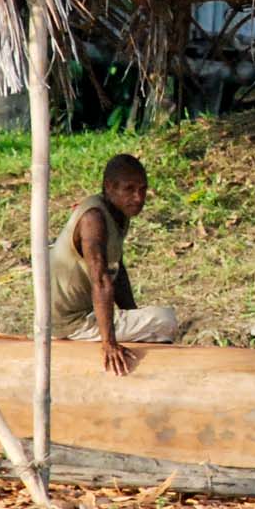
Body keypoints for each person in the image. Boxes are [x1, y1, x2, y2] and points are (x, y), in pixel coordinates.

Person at [50, 153, 182, 375]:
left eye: (142, 189)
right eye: (129, 189)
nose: (138, 197)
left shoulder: (118, 212)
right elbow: (101, 281)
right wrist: (109, 344)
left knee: (152, 320)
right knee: (165, 319)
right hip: (72, 324)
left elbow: (117, 273)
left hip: (82, 315)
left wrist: (132, 314)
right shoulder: (94, 219)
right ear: (109, 187)